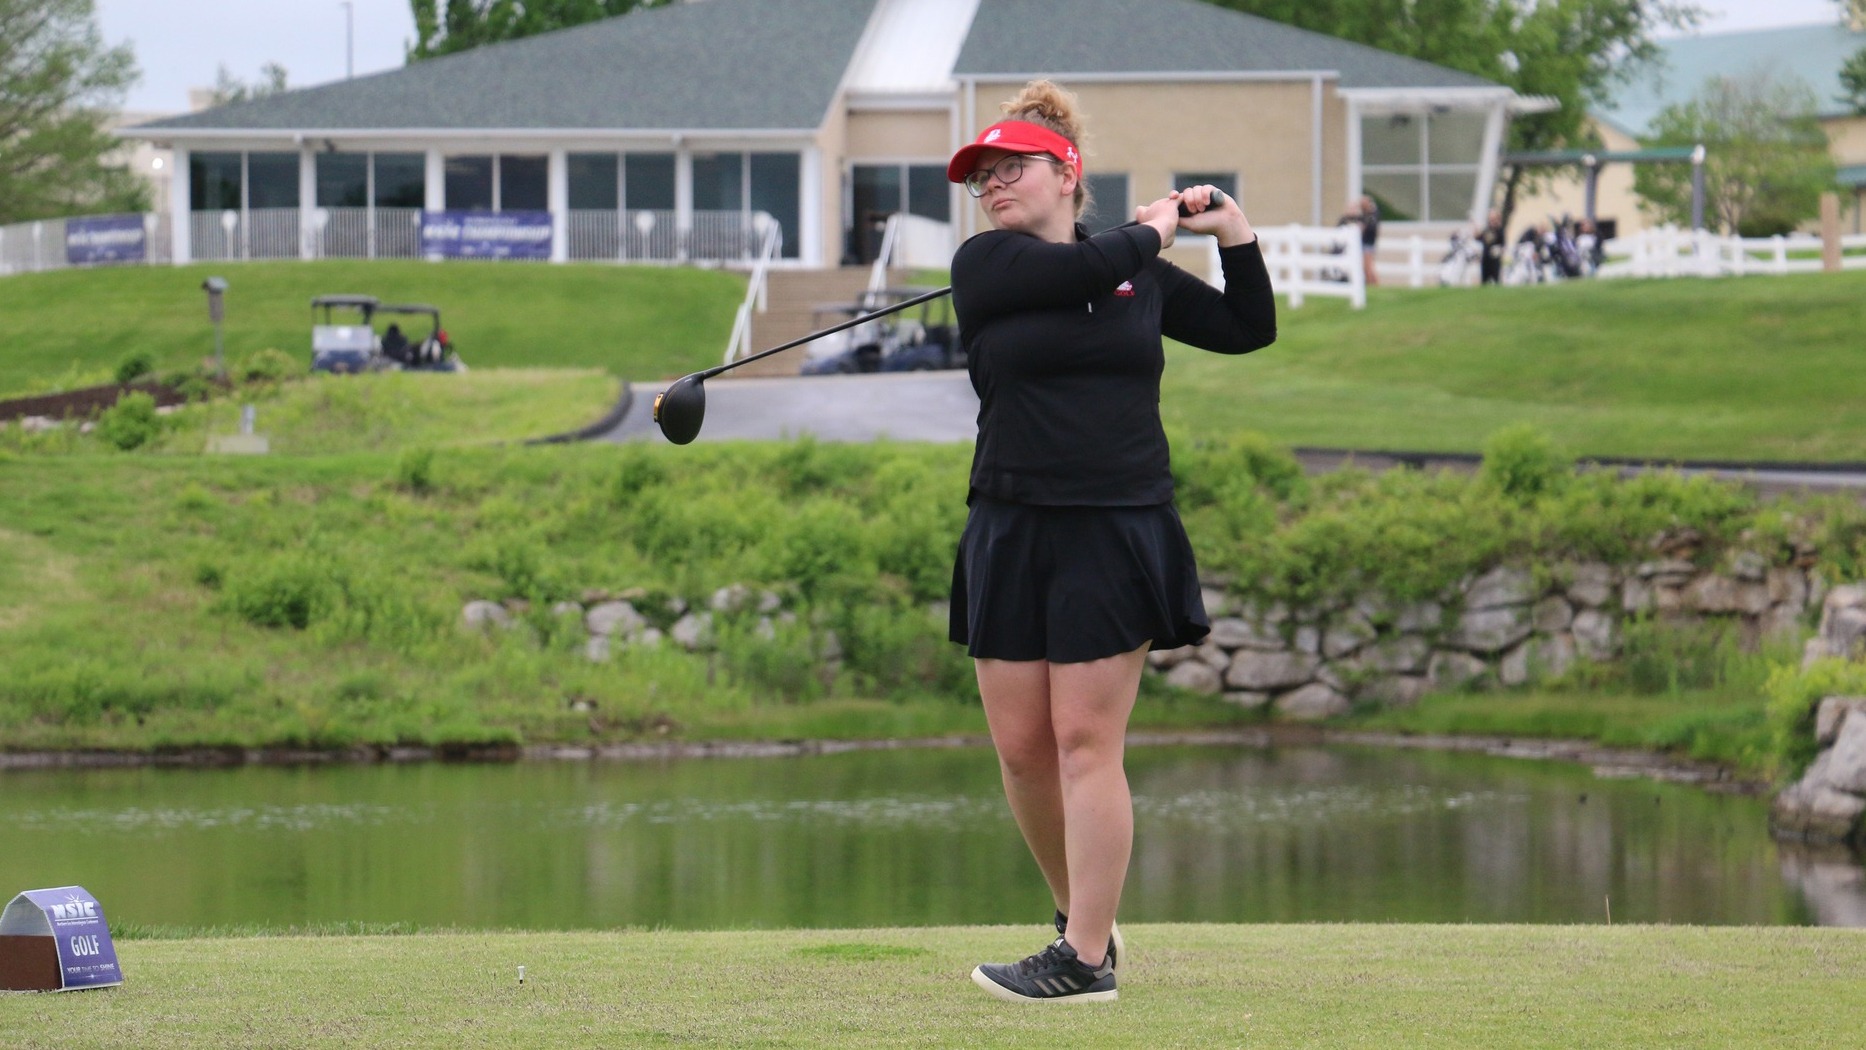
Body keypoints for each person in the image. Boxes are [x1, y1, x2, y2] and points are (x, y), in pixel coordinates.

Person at [944, 80, 1276, 1003]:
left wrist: (1234, 236)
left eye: (1013, 169)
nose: (995, 187)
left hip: (1115, 524)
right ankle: (1076, 917)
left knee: (1085, 739)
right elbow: (1078, 274)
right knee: (1021, 751)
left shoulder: (1138, 277)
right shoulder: (988, 265)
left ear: (1066, 173)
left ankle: (1085, 960)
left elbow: (1250, 328)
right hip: (1010, 521)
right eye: (983, 177)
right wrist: (1156, 229)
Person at [1357, 194, 1381, 286]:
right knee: (1366, 267)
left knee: (1369, 267)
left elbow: (1371, 228)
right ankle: (1369, 284)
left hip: (1369, 243)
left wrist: (1363, 228)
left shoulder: (1372, 215)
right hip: (1365, 243)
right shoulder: (1364, 215)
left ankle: (1375, 285)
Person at [1478, 209, 1507, 286]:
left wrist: (1499, 250)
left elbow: (1503, 245)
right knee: (1484, 281)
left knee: (1495, 280)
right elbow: (1479, 239)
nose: (1491, 220)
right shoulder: (1486, 229)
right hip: (1485, 257)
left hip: (1495, 259)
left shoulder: (1500, 230)